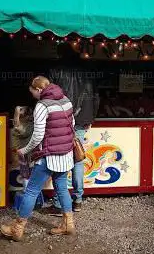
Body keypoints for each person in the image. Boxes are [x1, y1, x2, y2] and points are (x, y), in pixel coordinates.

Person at [0, 76, 76, 241]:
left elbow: (38, 135)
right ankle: (68, 224)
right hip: (65, 154)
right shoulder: (66, 100)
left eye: (33, 92)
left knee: (32, 190)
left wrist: (25, 150)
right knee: (62, 188)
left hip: (48, 156)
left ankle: (17, 228)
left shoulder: (42, 106)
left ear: (39, 90)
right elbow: (72, 125)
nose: (33, 95)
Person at [52, 46, 100, 212]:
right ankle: (78, 199)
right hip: (81, 119)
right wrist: (91, 116)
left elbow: (50, 97)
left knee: (62, 160)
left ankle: (60, 203)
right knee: (77, 159)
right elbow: (95, 95)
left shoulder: (56, 70)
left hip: (60, 118)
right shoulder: (87, 70)